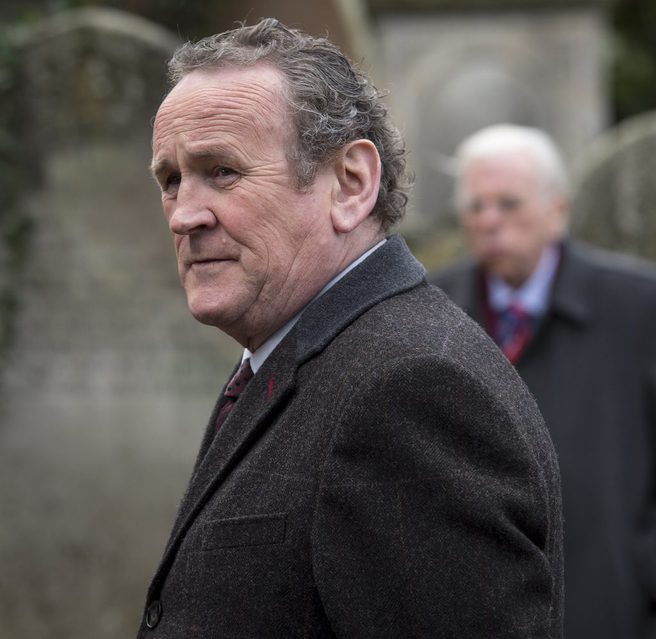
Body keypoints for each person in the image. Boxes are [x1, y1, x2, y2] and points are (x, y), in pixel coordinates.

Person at [140, 21, 563, 638]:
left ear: (351, 183)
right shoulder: (306, 355)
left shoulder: (408, 390)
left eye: (222, 171)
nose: (185, 215)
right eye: (171, 181)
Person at [432, 124, 656, 639]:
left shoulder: (641, 306)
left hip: (610, 615)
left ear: (557, 210)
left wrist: (646, 579)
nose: (489, 220)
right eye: (476, 207)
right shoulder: (432, 310)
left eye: (509, 204)